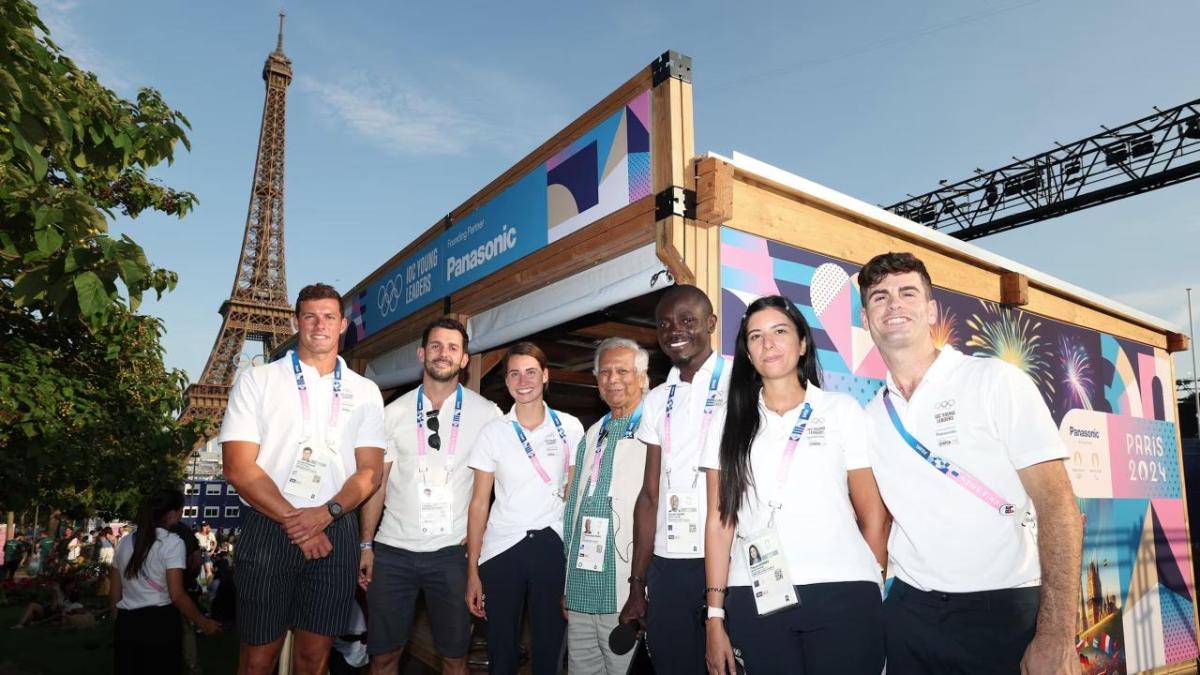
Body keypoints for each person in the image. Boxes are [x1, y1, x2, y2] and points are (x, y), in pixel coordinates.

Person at [857, 252, 1081, 675]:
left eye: (908, 292)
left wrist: (1055, 634)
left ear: (931, 310)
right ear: (867, 320)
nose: (894, 305)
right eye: (879, 297)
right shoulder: (870, 419)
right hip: (911, 614)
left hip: (1002, 612)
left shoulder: (995, 381)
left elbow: (1059, 508)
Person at [701, 295, 889, 675]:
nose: (767, 343)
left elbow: (874, 516)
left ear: (803, 344)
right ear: (748, 354)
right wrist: (715, 616)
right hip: (756, 594)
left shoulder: (841, 410)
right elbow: (720, 524)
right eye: (756, 336)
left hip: (844, 589)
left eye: (779, 331)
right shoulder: (726, 421)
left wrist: (871, 581)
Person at [221, 283, 387, 675]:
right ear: (296, 322)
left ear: (343, 324)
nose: (319, 325)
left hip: (336, 528)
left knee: (314, 660)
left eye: (329, 316)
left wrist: (326, 513)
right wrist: (300, 522)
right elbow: (238, 467)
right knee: (257, 659)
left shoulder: (365, 392)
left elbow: (370, 472)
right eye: (310, 316)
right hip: (269, 527)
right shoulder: (257, 380)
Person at [359, 317, 502, 675]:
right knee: (383, 658)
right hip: (392, 553)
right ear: (422, 353)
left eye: (453, 348)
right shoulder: (392, 413)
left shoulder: (488, 415)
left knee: (454, 659)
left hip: (453, 556)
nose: (444, 354)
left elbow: (505, 484)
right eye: (436, 346)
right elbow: (376, 485)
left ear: (465, 359)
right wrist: (365, 545)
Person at [626, 285, 732, 674]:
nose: (675, 330)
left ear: (711, 324)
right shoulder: (656, 399)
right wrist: (638, 582)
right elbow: (650, 495)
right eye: (665, 323)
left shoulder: (741, 383)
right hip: (668, 565)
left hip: (724, 560)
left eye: (687, 320)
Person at [465, 342, 585, 675]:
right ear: (506, 382)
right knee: (501, 649)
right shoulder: (493, 433)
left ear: (545, 376)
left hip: (553, 544)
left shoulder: (570, 427)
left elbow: (576, 492)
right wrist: (472, 569)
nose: (523, 380)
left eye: (531, 372)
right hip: (502, 548)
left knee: (550, 647)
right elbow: (478, 504)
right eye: (514, 374)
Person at [562, 338, 651, 674]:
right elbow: (573, 510)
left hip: (626, 590)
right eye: (605, 372)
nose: (613, 379)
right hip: (582, 589)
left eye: (623, 371)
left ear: (642, 377)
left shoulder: (654, 429)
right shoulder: (593, 433)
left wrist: (645, 588)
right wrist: (567, 584)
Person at [109, 488, 221, 674]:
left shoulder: (124, 543)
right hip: (160, 624)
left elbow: (114, 591)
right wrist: (203, 622)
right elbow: (176, 594)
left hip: (127, 624)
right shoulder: (172, 543)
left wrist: (117, 620)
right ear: (171, 514)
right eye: (181, 511)